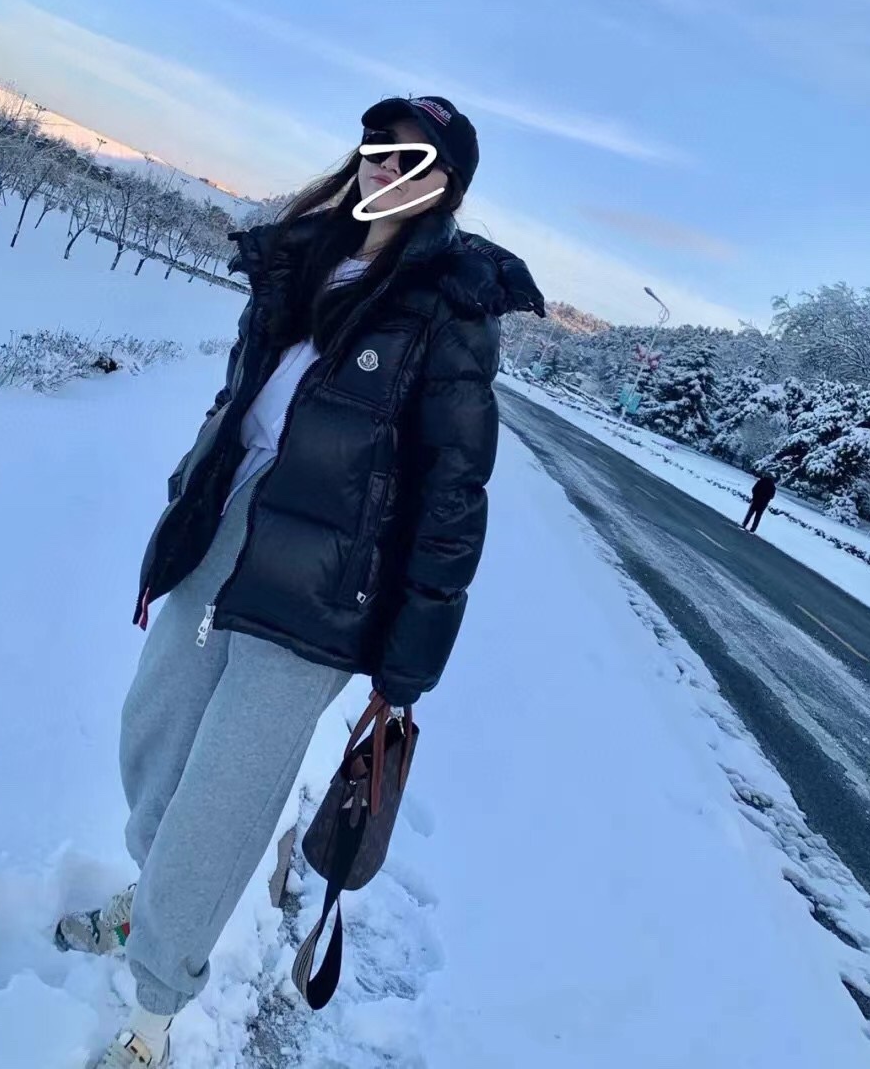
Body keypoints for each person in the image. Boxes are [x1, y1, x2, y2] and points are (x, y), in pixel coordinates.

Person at [56, 95, 546, 1068]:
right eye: (379, 146)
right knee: (152, 738)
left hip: (323, 587)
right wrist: (189, 493)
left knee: (224, 794)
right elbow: (240, 397)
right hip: (225, 529)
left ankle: (152, 1013)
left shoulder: (451, 305)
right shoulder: (308, 256)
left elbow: (454, 495)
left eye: (413, 157)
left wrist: (407, 666)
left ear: (447, 184)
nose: (385, 165)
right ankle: (153, 898)